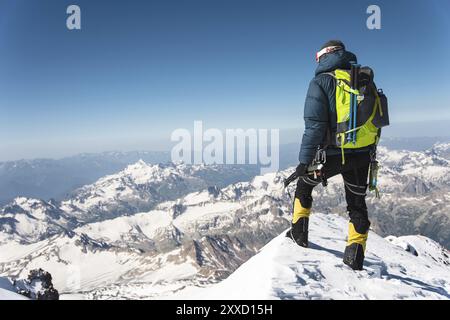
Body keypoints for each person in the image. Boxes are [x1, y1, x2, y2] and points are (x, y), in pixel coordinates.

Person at [286, 40, 375, 271]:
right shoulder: (362, 79)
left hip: (332, 155)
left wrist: (303, 162)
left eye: (317, 57)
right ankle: (354, 260)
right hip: (363, 155)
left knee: (304, 185)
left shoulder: (321, 82)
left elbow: (314, 126)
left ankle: (298, 236)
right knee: (357, 204)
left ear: (325, 56)